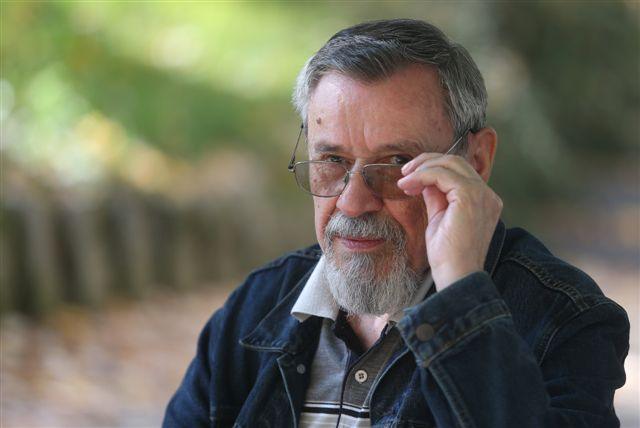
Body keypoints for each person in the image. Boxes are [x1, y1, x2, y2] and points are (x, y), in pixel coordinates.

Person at [163, 18, 629, 428]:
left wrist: (461, 297)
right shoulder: (254, 309)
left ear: (477, 161)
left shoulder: (565, 320)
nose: (353, 203)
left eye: (397, 164)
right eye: (331, 161)